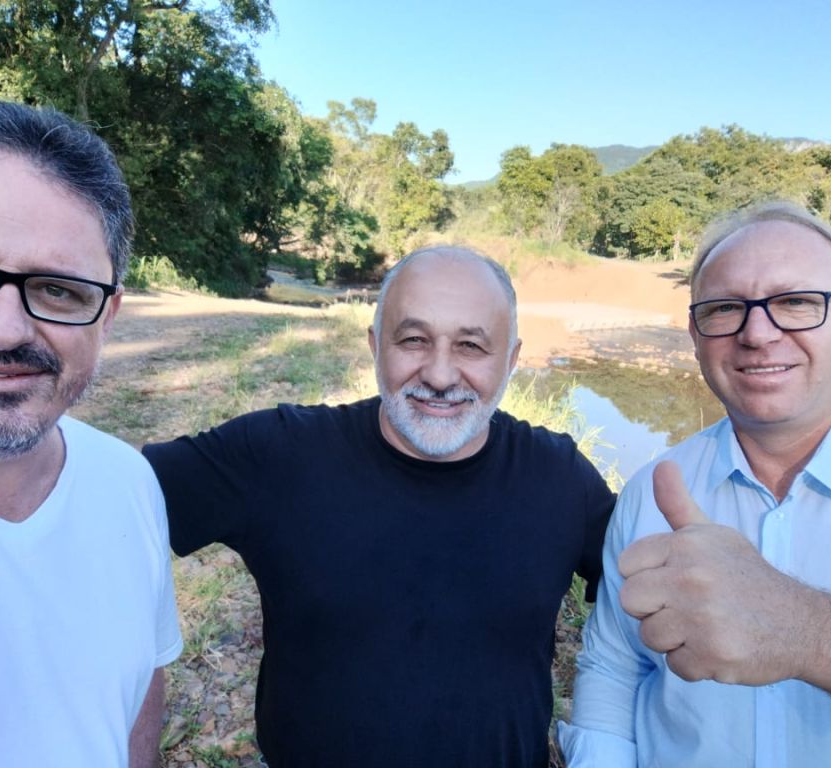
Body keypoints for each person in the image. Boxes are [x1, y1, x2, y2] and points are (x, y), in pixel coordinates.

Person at [143, 245, 616, 767]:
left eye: (471, 346)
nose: (440, 375)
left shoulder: (560, 479)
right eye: (413, 340)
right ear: (374, 345)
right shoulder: (280, 456)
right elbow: (114, 497)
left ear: (511, 358)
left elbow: (645, 593)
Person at [559, 201, 831, 766]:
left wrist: (804, 629)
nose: (757, 333)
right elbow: (614, 669)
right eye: (726, 308)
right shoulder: (653, 490)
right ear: (695, 334)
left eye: (796, 302)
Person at [0, 98, 183, 767]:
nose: (2, 330)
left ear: (107, 315)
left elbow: (138, 687)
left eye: (58, 290)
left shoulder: (126, 480)